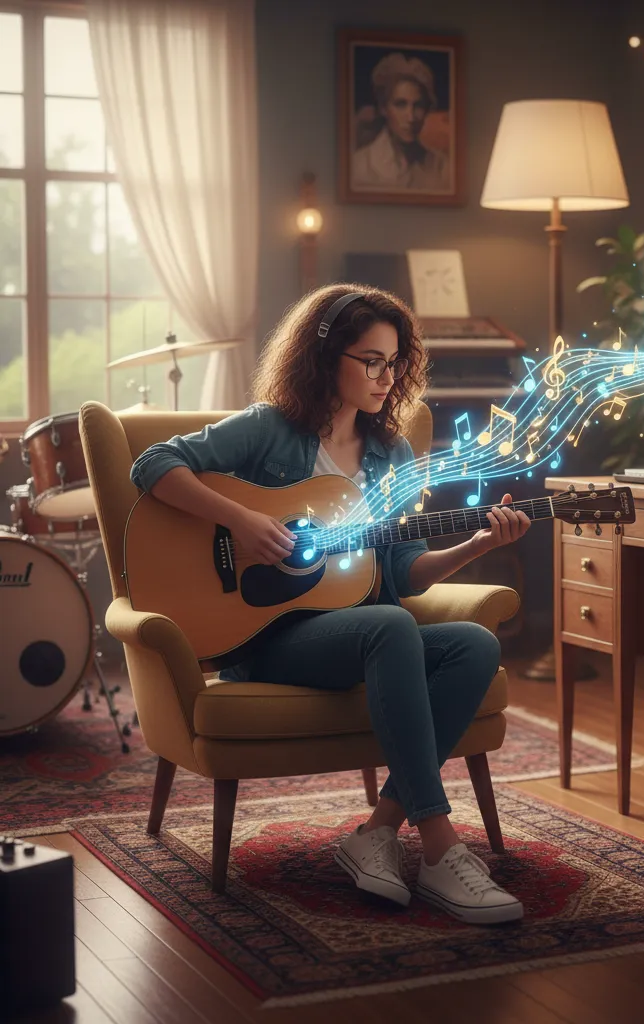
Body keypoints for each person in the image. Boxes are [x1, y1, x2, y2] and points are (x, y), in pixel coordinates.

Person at [129, 284, 530, 924]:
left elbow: (405, 572)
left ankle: (377, 831)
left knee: (473, 643)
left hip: (360, 635)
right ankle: (437, 845)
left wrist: (475, 546)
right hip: (263, 639)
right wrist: (242, 522)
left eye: (394, 362)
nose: (386, 376)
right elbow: (154, 463)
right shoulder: (270, 430)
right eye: (370, 359)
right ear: (323, 358)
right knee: (390, 626)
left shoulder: (392, 455)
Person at [350, 52, 451, 193]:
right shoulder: (360, 164)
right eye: (400, 104)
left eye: (418, 106)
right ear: (384, 108)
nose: (410, 117)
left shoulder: (442, 166)